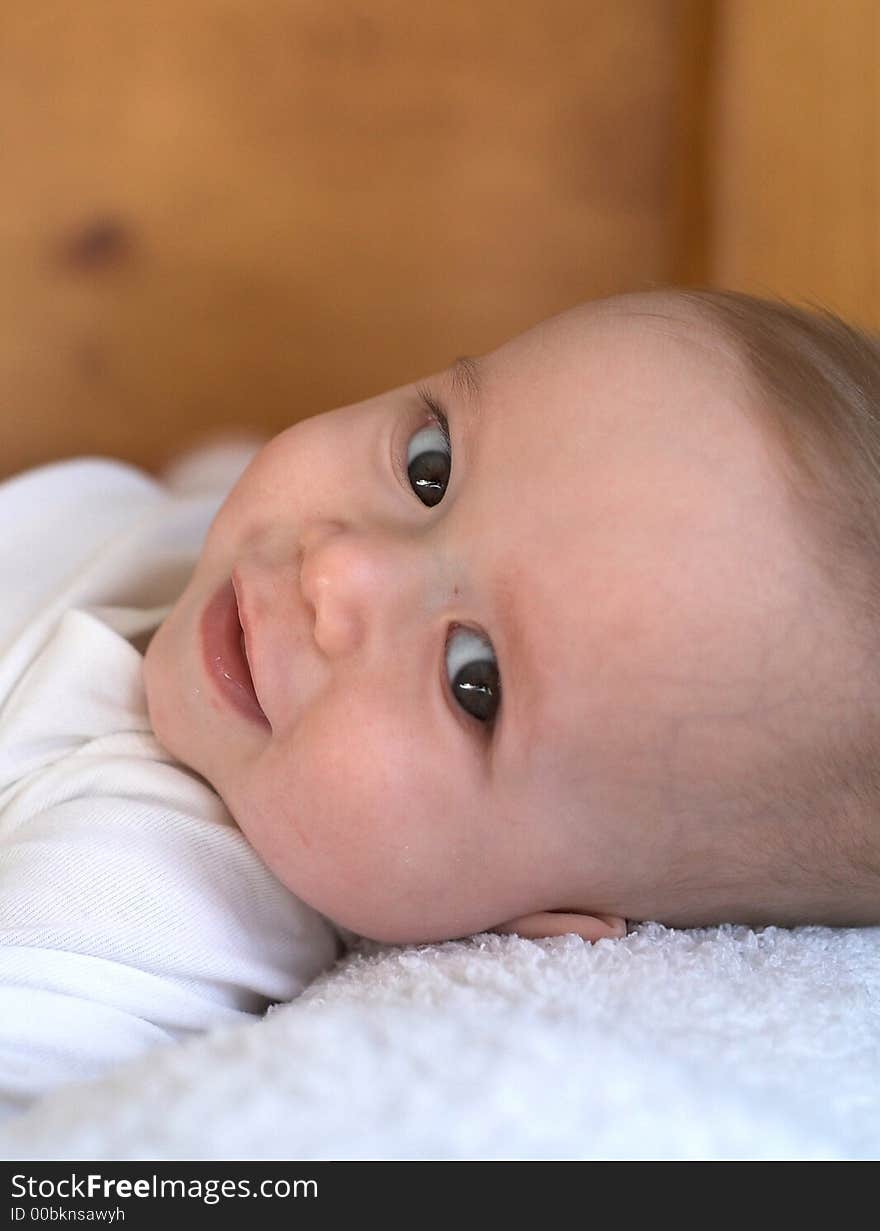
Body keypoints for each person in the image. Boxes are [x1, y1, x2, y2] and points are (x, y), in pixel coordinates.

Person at [3, 286, 878, 1113]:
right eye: (431, 466)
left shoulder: (142, 893)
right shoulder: (226, 563)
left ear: (536, 920)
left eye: (474, 680)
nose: (337, 571)